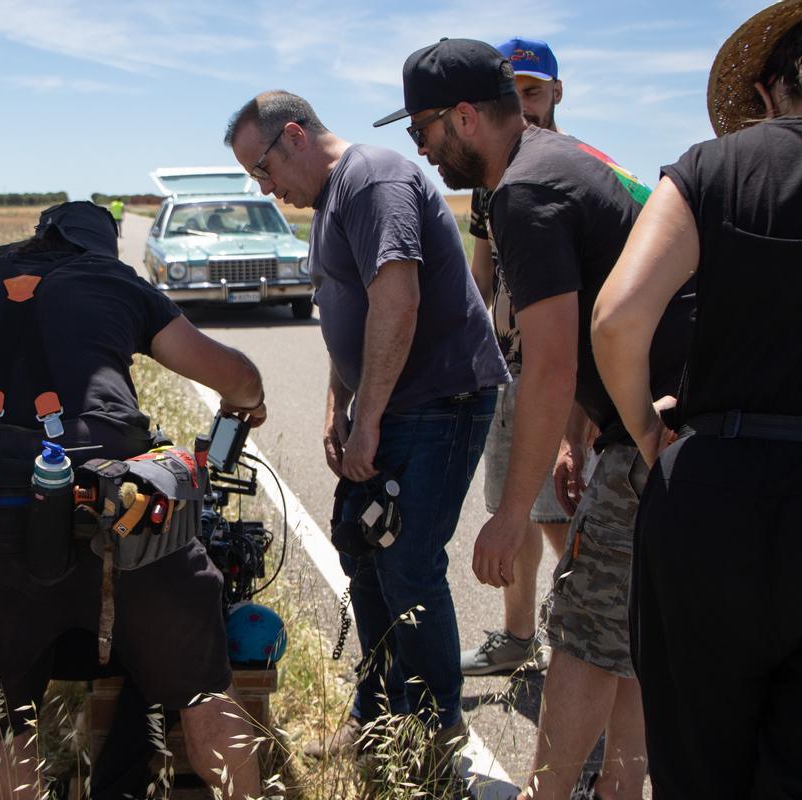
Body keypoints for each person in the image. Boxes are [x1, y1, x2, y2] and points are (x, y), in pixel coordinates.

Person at [377, 38, 693, 799]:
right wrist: (580, 438)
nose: (420, 149)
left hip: (653, 429)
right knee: (627, 631)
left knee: (582, 630)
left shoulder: (522, 193)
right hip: (675, 420)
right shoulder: (564, 157)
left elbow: (550, 365)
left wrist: (512, 515)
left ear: (463, 118)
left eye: (421, 129)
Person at [0, 201, 265, 800]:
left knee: (0, 722)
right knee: (205, 690)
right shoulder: (112, 279)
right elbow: (231, 374)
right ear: (100, 247)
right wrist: (248, 400)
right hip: (123, 517)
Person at [224, 91, 507, 759]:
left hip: (438, 401)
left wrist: (368, 419)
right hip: (392, 405)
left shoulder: (373, 180)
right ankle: (375, 715)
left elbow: (396, 301)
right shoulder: (329, 202)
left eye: (263, 169)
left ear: (295, 136)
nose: (264, 188)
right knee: (364, 554)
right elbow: (346, 315)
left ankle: (438, 730)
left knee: (408, 565)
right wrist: (338, 406)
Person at [592, 3, 802, 796]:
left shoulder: (714, 168)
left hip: (713, 493)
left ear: (767, 89)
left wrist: (649, 435)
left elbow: (617, 319)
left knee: (697, 763)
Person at [461, 36, 572, 677]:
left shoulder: (570, 169)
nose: (525, 104)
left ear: (557, 92)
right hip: (507, 371)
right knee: (514, 508)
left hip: (564, 376)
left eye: (535, 91)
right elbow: (481, 278)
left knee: (564, 514)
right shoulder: (489, 182)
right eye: (514, 92)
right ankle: (517, 637)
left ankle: (594, 651)